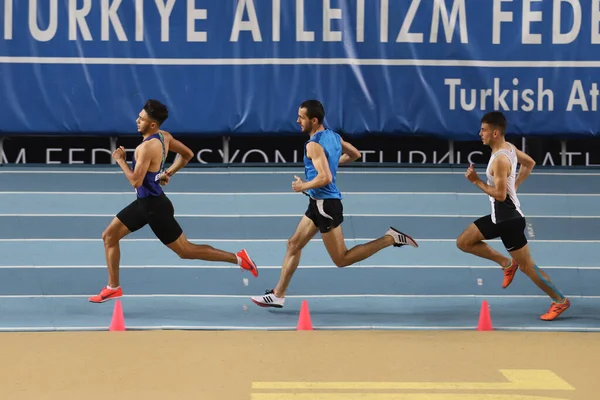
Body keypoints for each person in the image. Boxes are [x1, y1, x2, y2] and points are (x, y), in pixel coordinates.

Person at [250, 100, 418, 308]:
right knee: (293, 244)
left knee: (342, 259)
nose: (297, 120)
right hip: (317, 203)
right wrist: (331, 163)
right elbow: (355, 154)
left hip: (326, 206)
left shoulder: (313, 145)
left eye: (301, 117)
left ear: (314, 120)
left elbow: (325, 178)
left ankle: (389, 239)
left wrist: (303, 185)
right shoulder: (334, 136)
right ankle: (278, 294)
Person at [89, 99, 258, 303]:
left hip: (154, 208)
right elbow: (187, 154)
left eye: (141, 119)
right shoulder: (164, 137)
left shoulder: (145, 149)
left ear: (152, 124)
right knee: (109, 236)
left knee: (186, 251)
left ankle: (239, 258)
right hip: (146, 204)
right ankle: (113, 287)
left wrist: (121, 160)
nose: (137, 121)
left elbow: (135, 181)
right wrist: (168, 172)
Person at [456, 111, 570, 321]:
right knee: (464, 242)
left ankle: (560, 300)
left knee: (529, 267)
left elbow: (500, 195)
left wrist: (476, 181)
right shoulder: (510, 149)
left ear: (496, 133)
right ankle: (507, 263)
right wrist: (515, 186)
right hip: (498, 217)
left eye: (484, 130)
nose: (480, 133)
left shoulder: (500, 159)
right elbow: (530, 163)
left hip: (508, 221)